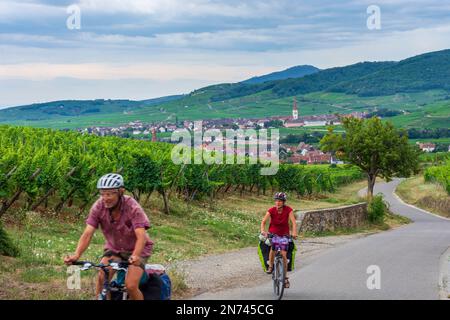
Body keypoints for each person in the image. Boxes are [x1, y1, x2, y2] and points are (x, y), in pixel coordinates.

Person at [64, 173, 153, 300]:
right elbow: (88, 233)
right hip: (114, 249)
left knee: (131, 285)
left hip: (138, 249)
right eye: (102, 194)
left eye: (109, 194)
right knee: (101, 278)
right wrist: (76, 255)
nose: (105, 198)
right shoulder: (98, 207)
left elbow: (141, 237)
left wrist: (136, 256)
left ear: (120, 192)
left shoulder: (132, 207)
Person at [260, 192, 297, 288]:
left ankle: (285, 277)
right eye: (276, 201)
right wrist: (263, 231)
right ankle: (271, 266)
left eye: (280, 201)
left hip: (284, 235)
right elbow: (264, 221)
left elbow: (293, 222)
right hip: (273, 234)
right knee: (273, 249)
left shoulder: (288, 210)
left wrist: (294, 233)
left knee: (284, 255)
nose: (278, 203)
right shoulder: (271, 210)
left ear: (284, 202)